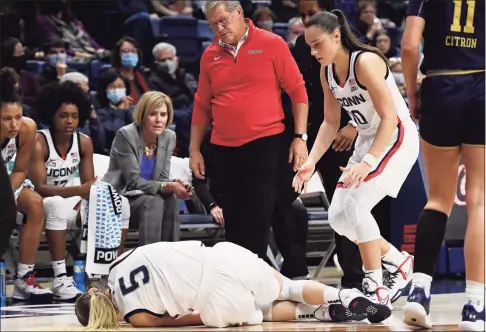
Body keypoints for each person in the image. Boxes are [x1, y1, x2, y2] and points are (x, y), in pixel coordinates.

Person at [293, 10, 418, 308]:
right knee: (338, 217)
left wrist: (367, 163)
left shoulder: (365, 62)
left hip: (395, 137)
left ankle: (375, 285)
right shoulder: (327, 72)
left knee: (357, 206)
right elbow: (329, 123)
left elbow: (389, 117)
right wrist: (311, 161)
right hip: (367, 139)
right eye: (309, 46)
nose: (313, 52)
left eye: (318, 44)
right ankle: (399, 262)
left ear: (336, 36)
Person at [190, 0, 309, 260]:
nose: (219, 29)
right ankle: (239, 285)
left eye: (223, 20)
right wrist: (194, 149)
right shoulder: (209, 55)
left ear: (239, 13)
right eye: (213, 25)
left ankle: (255, 285)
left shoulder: (272, 43)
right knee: (233, 223)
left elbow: (297, 90)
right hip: (223, 148)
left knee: (257, 219)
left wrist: (300, 137)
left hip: (264, 143)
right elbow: (201, 105)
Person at [74, 241, 392, 329]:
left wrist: (214, 313)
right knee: (287, 287)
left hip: (215, 300)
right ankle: (344, 295)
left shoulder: (135, 317)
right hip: (219, 257)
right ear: (94, 290)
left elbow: (188, 319)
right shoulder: (118, 262)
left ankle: (319, 315)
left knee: (265, 311)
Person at [401, 0, 485, 329]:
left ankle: (419, 292)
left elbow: (409, 46)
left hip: (440, 87)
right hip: (482, 86)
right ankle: (475, 307)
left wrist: (412, 94)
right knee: (477, 200)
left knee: (438, 200)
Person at [27, 81, 128, 301]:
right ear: (51, 115)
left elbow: (88, 185)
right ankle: (60, 277)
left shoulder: (84, 142)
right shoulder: (39, 141)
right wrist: (79, 190)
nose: (70, 121)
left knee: (119, 203)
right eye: (63, 115)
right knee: (54, 205)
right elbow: (40, 188)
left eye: (74, 115)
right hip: (36, 204)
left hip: (68, 200)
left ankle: (110, 270)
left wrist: (95, 194)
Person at [103, 91, 192, 246]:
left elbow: (162, 179)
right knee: (155, 201)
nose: (159, 120)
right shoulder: (126, 135)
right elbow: (133, 181)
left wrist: (175, 184)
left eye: (163, 115)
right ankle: (148, 259)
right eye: (153, 114)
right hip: (122, 199)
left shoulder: (169, 137)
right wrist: (168, 186)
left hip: (150, 199)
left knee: (170, 199)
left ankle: (170, 255)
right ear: (143, 115)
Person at [0, 67, 52, 302]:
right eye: (6, 119)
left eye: (18, 117)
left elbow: (20, 169)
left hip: (9, 178)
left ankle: (24, 277)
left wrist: (7, 194)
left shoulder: (27, 129)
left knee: (35, 203)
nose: (14, 125)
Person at [95, 68, 133, 153]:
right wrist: (120, 111)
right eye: (112, 87)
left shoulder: (134, 109)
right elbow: (115, 135)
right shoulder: (100, 113)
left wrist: (127, 111)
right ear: (105, 90)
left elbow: (140, 131)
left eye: (120, 87)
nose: (116, 90)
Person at [111, 36, 151, 105]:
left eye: (133, 51)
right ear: (118, 54)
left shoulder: (140, 74)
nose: (130, 54)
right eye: (125, 51)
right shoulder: (113, 76)